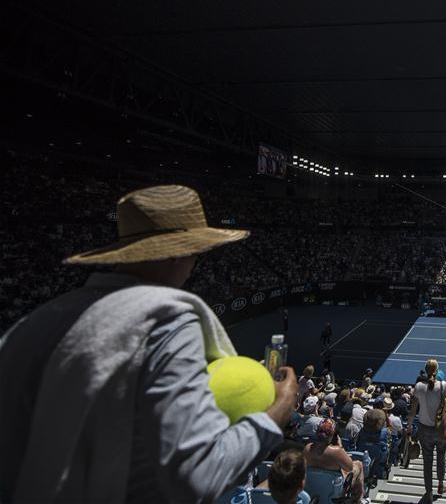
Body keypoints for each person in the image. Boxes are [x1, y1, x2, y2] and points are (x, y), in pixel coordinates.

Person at [0, 185, 299, 503]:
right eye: (196, 253)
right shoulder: (165, 318)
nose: (195, 263)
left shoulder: (32, 323)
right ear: (176, 254)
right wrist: (274, 416)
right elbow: (197, 477)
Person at [406, 359, 446, 502]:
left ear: (426, 370)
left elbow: (412, 411)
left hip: (424, 430)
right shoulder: (444, 386)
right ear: (437, 370)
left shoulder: (418, 387)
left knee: (427, 462)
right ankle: (441, 485)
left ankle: (429, 493)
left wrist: (409, 427)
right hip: (441, 429)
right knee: (441, 457)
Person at [303, 419, 365, 503]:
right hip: (334, 490)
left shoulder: (307, 448)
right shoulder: (336, 451)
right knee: (359, 464)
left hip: (313, 487)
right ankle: (357, 499)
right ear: (332, 434)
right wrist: (341, 447)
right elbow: (349, 468)